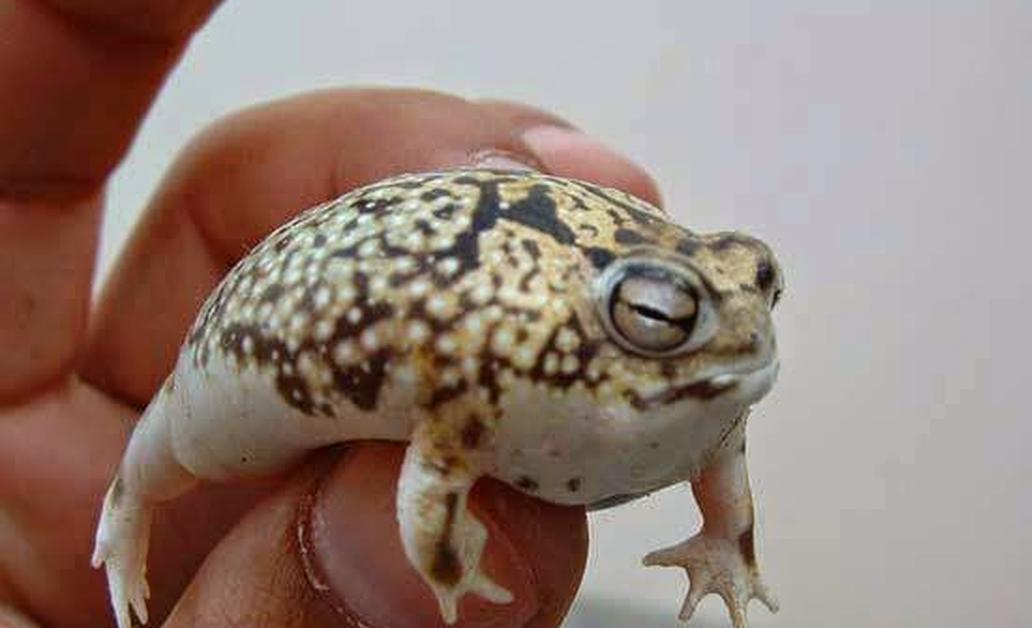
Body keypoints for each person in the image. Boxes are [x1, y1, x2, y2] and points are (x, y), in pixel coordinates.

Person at [0, 3, 660, 626]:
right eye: (656, 314)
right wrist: (443, 568)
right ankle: (119, 523)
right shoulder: (472, 371)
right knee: (163, 444)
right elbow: (432, 473)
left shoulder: (512, 376)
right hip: (235, 362)